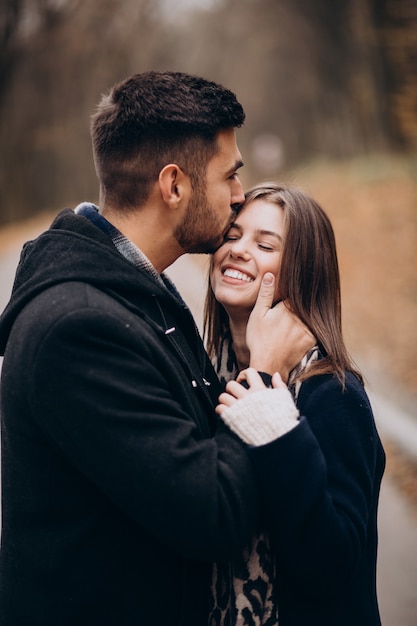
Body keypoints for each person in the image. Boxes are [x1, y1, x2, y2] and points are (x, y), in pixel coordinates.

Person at [0, 73, 313, 626]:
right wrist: (265, 372)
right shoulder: (78, 329)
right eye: (229, 175)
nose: (240, 195)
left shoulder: (141, 287)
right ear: (174, 186)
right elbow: (213, 516)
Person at [204, 183, 385, 626]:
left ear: (302, 273)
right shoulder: (206, 378)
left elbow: (331, 566)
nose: (238, 250)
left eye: (265, 244)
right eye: (232, 235)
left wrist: (273, 422)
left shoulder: (333, 395)